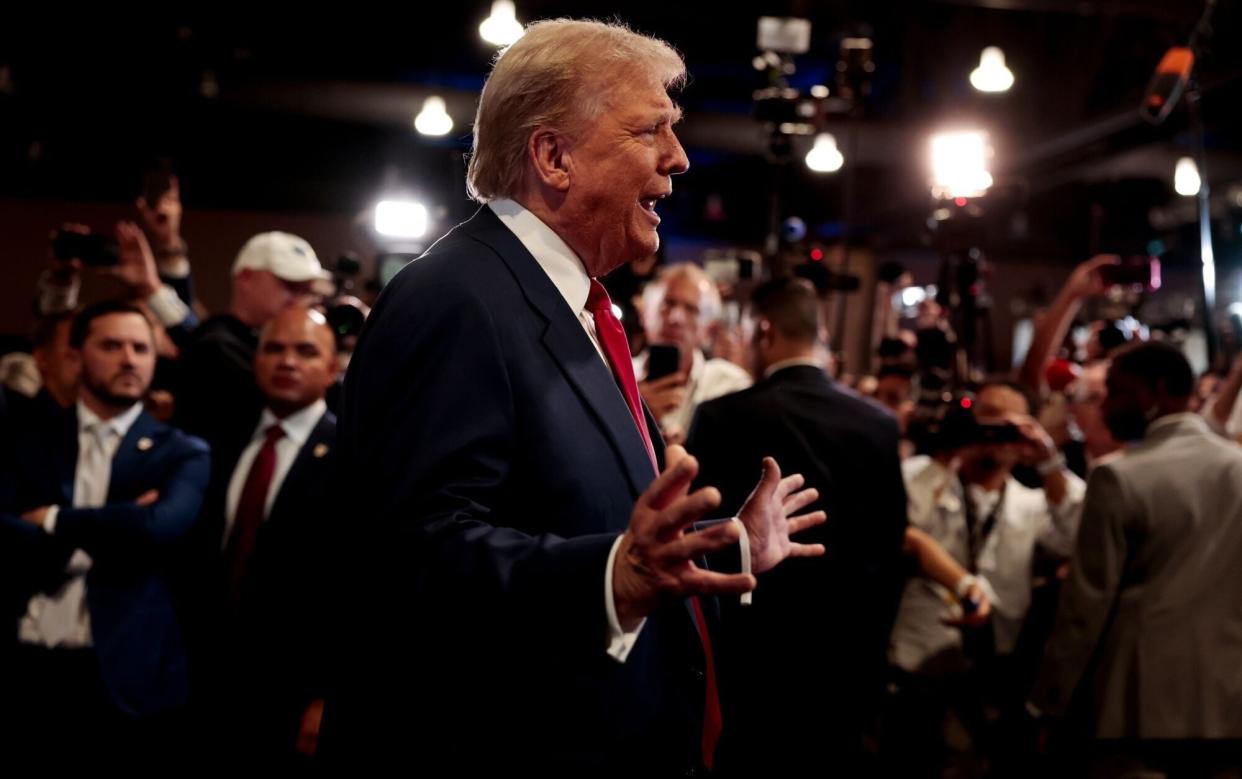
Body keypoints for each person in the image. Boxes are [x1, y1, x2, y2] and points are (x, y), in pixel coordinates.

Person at [325, 19, 825, 776]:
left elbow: (568, 511)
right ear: (554, 156)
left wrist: (724, 542)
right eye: (650, 130)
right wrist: (611, 575)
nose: (679, 159)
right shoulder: (456, 297)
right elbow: (416, 555)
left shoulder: (569, 305)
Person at [686, 277, 909, 775]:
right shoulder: (878, 424)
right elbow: (890, 553)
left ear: (764, 331)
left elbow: (699, 543)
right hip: (847, 663)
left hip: (751, 662)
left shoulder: (722, 417)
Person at [0, 301, 210, 769]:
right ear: (75, 357)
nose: (130, 359)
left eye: (141, 348)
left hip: (123, 676)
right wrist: (120, 524)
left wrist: (53, 520)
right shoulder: (25, 436)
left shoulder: (181, 452)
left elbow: (158, 528)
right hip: (24, 665)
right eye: (112, 346)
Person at [1033, 342, 1242, 775]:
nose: (1107, 405)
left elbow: (1084, 610)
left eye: (1117, 392)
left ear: (1154, 392)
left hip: (1134, 706)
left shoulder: (1118, 477)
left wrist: (1048, 702)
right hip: (1229, 706)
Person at [188, 307, 339, 766]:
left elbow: (359, 588)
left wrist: (326, 696)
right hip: (204, 681)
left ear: (333, 369)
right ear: (255, 359)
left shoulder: (356, 456)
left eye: (306, 351)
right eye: (274, 348)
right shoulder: (221, 440)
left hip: (294, 694)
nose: (287, 361)